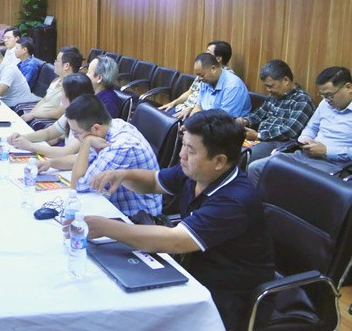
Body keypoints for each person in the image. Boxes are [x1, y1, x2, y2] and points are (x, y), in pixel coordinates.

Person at [83, 109, 274, 330]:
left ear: (219, 161)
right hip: (192, 268)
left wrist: (107, 228)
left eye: (190, 150)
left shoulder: (234, 199)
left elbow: (176, 240)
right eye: (183, 145)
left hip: (232, 293)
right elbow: (154, 182)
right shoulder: (197, 172)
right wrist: (123, 175)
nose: (182, 154)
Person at [48, 94, 161, 216]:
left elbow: (78, 187)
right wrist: (49, 163)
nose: (76, 138)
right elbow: (80, 160)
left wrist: (86, 143)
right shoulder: (111, 126)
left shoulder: (120, 147)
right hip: (113, 204)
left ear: (96, 128)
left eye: (76, 133)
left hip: (138, 219)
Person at [248, 66, 351, 185]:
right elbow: (311, 127)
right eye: (323, 96)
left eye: (329, 95)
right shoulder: (325, 104)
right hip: (304, 154)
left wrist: (327, 151)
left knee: (296, 182)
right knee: (255, 168)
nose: (327, 100)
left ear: (348, 87)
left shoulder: (303, 99)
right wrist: (305, 139)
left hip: (334, 165)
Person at [236, 60, 315, 163]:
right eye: (266, 86)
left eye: (271, 86)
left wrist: (258, 135)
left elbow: (289, 131)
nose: (268, 90)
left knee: (243, 156)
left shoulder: (302, 100)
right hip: (261, 137)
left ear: (285, 80)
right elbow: (259, 114)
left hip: (280, 143)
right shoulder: (274, 95)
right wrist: (245, 121)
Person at [8, 73, 95, 159]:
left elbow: (66, 152)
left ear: (72, 96)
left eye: (63, 92)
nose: (61, 97)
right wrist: (22, 137)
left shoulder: (88, 122)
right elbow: (49, 132)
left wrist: (29, 146)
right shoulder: (72, 112)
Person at [160, 40, 234, 120]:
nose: (205, 54)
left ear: (218, 58)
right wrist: (173, 103)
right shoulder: (204, 70)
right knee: (159, 116)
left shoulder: (226, 78)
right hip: (183, 107)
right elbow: (190, 91)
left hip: (198, 115)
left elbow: (210, 104)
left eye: (208, 52)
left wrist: (191, 109)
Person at [20, 46, 84, 123]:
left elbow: (59, 113)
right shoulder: (56, 80)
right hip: (36, 118)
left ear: (66, 66)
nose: (54, 63)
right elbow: (44, 100)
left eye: (57, 61)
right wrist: (31, 114)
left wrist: (34, 115)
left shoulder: (72, 87)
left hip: (45, 123)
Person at [190, 52, 251, 118]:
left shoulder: (233, 86)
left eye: (201, 75)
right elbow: (198, 106)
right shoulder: (205, 81)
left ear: (213, 69)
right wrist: (189, 124)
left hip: (227, 125)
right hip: (208, 122)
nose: (199, 78)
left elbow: (224, 120)